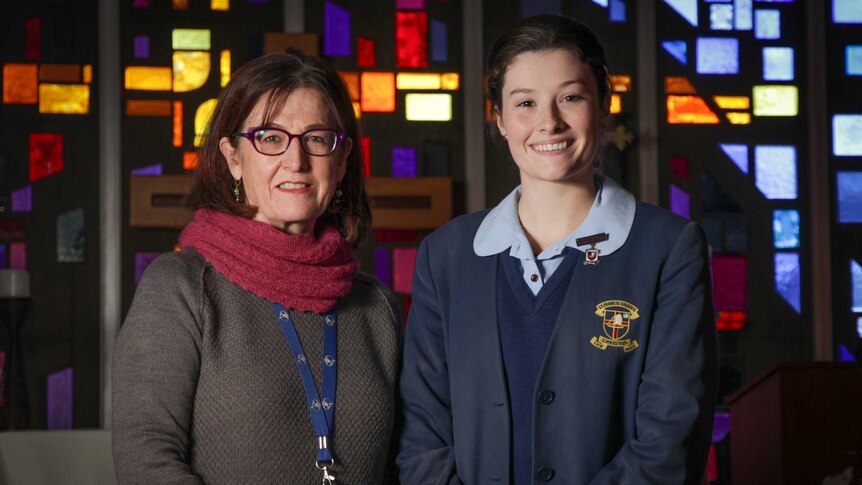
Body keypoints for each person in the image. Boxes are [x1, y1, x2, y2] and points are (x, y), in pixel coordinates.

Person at [398, 15, 718, 484]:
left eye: (570, 97)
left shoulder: (668, 249)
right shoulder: (445, 257)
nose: (548, 122)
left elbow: (670, 440)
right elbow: (422, 435)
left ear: (603, 106)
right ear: (500, 120)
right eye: (525, 102)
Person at [112, 51, 401, 485]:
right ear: (232, 157)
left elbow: (401, 464)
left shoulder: (376, 306)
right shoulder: (182, 287)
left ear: (341, 162)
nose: (296, 160)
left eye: (317, 139)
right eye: (269, 137)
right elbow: (146, 460)